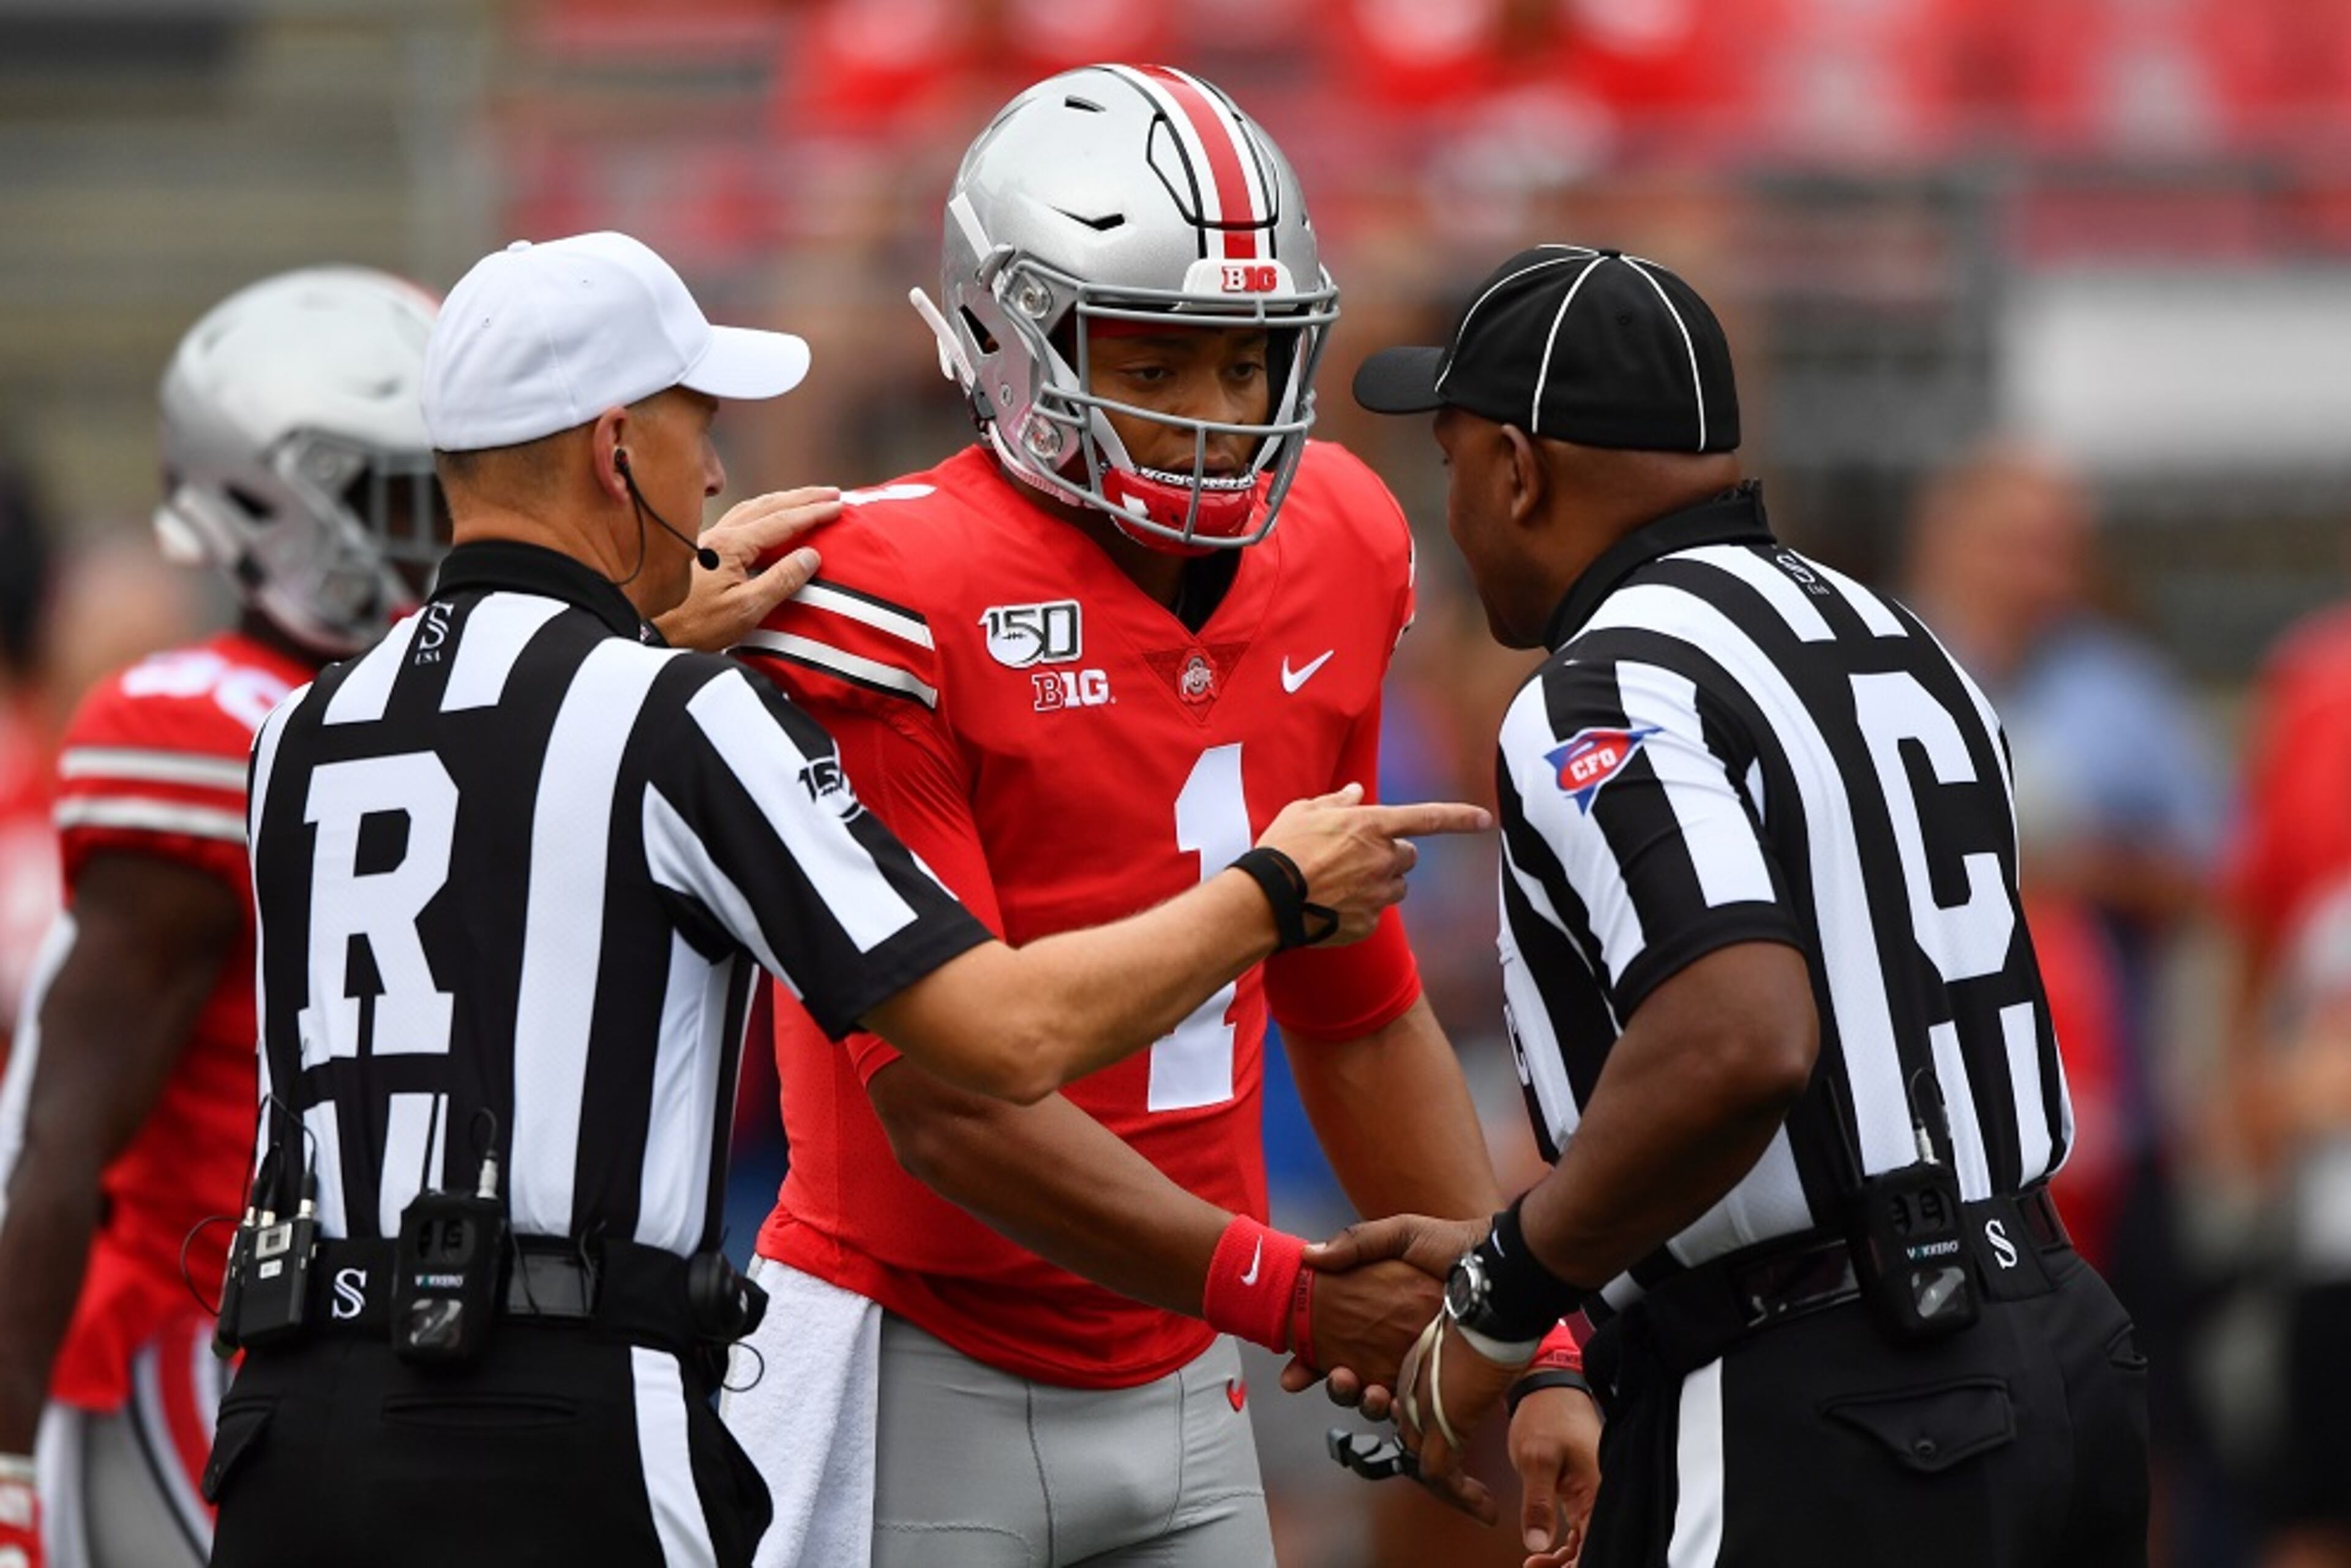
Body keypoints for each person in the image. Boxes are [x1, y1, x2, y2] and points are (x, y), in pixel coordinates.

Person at [211, 229, 1479, 1568]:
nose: (715, 475)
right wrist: (1273, 891)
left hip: (289, 1411)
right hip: (554, 1409)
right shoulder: (681, 714)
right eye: (696, 427)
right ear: (613, 450)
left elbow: (518, 773)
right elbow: (996, 1042)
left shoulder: (296, 729)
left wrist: (636, 632)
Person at [721, 64, 1558, 1568]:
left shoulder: (1345, 541)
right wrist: (1293, 1293)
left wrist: (1527, 1342)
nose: (1213, 418)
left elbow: (1352, 1010)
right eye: (1156, 362)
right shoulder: (876, 590)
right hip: (909, 1363)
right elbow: (951, 1105)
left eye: (1246, 365)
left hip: (1186, 1375)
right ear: (1003, 333)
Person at [1338, 244, 2150, 1566]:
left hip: (1841, 1390)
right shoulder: (1901, 634)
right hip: (2060, 1344)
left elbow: (1737, 1041)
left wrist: (1505, 1294)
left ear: (1518, 470)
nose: (1456, 508)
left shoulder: (1604, 685)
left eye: (1451, 460)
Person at [0, 266, 451, 1568]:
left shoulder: (475, 705)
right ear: (277, 502)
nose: (449, 534)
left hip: (408, 1339)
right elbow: (61, 1123)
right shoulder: (206, 731)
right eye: (408, 498)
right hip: (215, 1347)